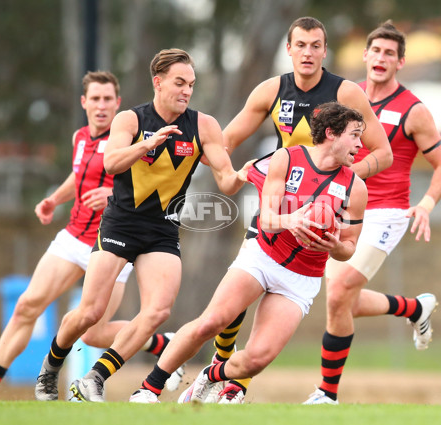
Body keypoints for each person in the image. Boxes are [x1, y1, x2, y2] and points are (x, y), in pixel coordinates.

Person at [179, 16, 392, 404]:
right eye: (301, 45)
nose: (308, 53)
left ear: (325, 51)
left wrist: (337, 182)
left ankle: (231, 384)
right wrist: (223, 169)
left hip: (317, 219)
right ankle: (219, 371)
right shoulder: (271, 91)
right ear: (289, 49)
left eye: (316, 45)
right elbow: (221, 142)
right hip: (279, 203)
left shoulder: (347, 93)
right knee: (239, 295)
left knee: (276, 313)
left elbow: (384, 153)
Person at [32, 48, 250, 403]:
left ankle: (95, 378)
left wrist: (242, 174)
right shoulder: (130, 120)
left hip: (162, 230)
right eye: (179, 83)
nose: (186, 91)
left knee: (158, 311)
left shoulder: (203, 125)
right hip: (120, 224)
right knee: (90, 313)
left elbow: (226, 179)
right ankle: (51, 367)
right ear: (158, 82)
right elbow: (112, 162)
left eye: (191, 85)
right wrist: (146, 144)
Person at [0, 71, 182, 401]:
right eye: (95, 99)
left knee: (94, 333)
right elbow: (78, 175)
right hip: (74, 236)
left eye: (108, 99)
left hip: (113, 242)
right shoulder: (80, 137)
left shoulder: (129, 135)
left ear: (118, 103)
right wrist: (55, 198)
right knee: (26, 305)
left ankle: (167, 344)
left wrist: (111, 193)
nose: (102, 105)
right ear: (84, 102)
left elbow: (152, 181)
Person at [128, 101, 368, 404]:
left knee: (256, 359)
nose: (361, 144)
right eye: (355, 135)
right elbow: (266, 218)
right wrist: (291, 220)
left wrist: (335, 247)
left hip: (302, 277)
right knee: (210, 323)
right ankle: (148, 390)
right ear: (331, 133)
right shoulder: (287, 158)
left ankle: (209, 376)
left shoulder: (355, 188)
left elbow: (349, 248)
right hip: (262, 256)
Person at [303, 20, 441, 405]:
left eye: (390, 53)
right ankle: (415, 307)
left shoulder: (413, 110)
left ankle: (326, 393)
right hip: (346, 209)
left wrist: (426, 204)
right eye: (376, 51)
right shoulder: (346, 100)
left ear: (400, 62)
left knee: (338, 294)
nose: (382, 58)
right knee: (344, 302)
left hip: (387, 213)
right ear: (366, 56)